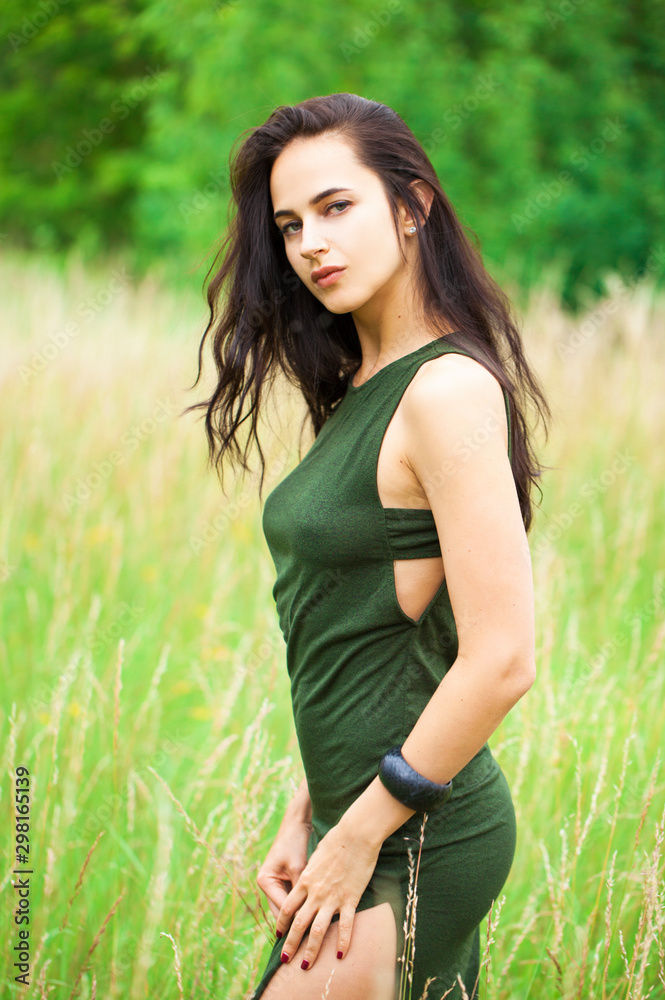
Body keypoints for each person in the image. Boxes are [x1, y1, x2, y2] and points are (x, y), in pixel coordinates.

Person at [184, 93, 551, 1000]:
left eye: (336, 207)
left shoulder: (446, 391)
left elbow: (501, 659)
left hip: (421, 833)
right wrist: (310, 813)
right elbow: (371, 642)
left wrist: (356, 835)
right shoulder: (363, 388)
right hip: (361, 820)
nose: (310, 242)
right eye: (289, 223)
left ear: (412, 205)